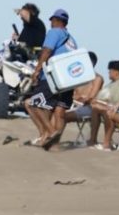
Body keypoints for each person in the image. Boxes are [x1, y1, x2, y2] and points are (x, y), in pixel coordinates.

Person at [24, 9, 78, 151]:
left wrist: (37, 70)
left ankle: (48, 134)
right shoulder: (72, 40)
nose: (50, 22)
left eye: (52, 20)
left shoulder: (55, 32)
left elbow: (47, 50)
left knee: (33, 103)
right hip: (68, 81)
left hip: (52, 78)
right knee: (58, 111)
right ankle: (54, 145)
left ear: (56, 21)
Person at [85, 61, 119, 147]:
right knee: (96, 109)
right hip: (101, 107)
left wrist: (99, 102)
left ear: (116, 72)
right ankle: (93, 139)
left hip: (110, 109)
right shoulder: (112, 84)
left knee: (99, 110)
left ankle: (104, 142)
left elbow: (116, 100)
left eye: (110, 71)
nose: (108, 73)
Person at [64, 52, 104, 124]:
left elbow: (90, 98)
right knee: (55, 112)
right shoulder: (78, 77)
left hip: (87, 108)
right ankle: (49, 134)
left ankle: (53, 134)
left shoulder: (97, 78)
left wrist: (78, 98)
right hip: (74, 105)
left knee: (62, 116)